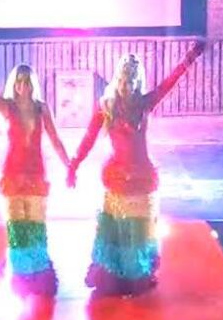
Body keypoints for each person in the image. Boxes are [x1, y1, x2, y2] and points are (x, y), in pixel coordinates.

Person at [68, 44, 205, 294]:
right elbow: (88, 138)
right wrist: (74, 164)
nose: (125, 86)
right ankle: (113, 277)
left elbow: (169, 83)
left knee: (138, 234)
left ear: (137, 82)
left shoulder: (145, 103)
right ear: (116, 79)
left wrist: (189, 59)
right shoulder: (106, 107)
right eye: (122, 80)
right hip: (118, 177)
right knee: (115, 232)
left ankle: (134, 278)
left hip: (142, 178)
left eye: (130, 82)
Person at [0, 55, 71, 295]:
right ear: (14, 84)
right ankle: (21, 278)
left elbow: (55, 139)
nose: (23, 86)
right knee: (17, 230)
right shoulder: (7, 107)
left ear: (33, 84)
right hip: (12, 175)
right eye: (19, 81)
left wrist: (69, 166)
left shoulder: (42, 108)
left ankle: (38, 276)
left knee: (36, 229)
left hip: (36, 176)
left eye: (27, 81)